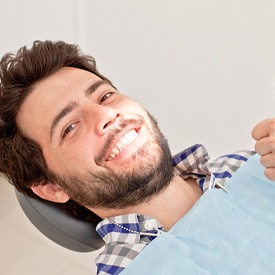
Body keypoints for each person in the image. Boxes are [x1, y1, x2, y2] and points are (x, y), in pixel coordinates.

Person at [0, 40, 274, 275]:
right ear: (52, 187)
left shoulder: (254, 166)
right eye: (70, 128)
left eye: (105, 96)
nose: (107, 115)